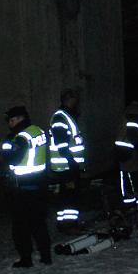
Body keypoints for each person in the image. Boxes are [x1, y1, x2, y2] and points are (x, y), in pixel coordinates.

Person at [0, 106, 52, 268]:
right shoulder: (38, 131)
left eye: (12, 120)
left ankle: (26, 259)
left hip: (23, 188)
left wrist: (7, 146)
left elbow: (11, 160)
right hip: (39, 185)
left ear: (20, 119)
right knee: (38, 223)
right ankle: (45, 256)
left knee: (20, 227)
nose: (10, 124)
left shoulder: (20, 138)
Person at [49, 89, 86, 232]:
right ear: (69, 99)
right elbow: (62, 144)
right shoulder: (61, 117)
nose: (77, 101)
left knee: (66, 196)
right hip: (66, 166)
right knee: (69, 196)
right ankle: (69, 225)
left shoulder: (66, 115)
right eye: (75, 98)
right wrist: (72, 163)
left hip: (67, 165)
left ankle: (66, 224)